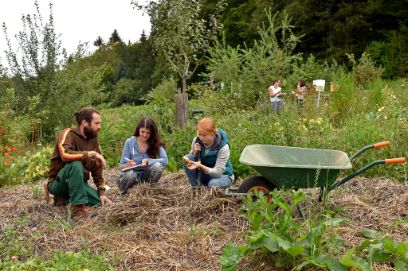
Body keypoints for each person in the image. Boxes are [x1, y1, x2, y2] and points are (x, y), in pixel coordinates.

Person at [45, 107, 112, 219]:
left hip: (78, 184)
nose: (99, 127)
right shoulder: (68, 133)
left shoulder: (94, 140)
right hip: (59, 183)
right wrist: (90, 154)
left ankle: (68, 199)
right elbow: (65, 155)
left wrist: (102, 193)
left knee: (99, 202)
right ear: (85, 122)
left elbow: (97, 170)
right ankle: (78, 208)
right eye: (96, 123)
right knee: (76, 163)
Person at [117, 117, 168, 195]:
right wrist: (127, 165)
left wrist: (149, 160)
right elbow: (120, 166)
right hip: (131, 176)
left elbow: (165, 160)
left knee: (157, 166)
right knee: (130, 174)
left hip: (145, 176)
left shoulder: (155, 142)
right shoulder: (129, 142)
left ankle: (149, 191)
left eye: (148, 133)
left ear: (152, 133)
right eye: (142, 132)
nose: (145, 135)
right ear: (138, 130)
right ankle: (124, 194)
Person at [183, 117, 233, 188]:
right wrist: (194, 152)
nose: (201, 138)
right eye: (199, 134)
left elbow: (217, 173)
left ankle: (209, 185)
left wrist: (200, 166)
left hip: (222, 176)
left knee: (213, 184)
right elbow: (192, 161)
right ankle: (195, 187)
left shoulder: (223, 147)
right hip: (205, 174)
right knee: (188, 158)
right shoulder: (197, 140)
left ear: (213, 134)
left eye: (204, 135)